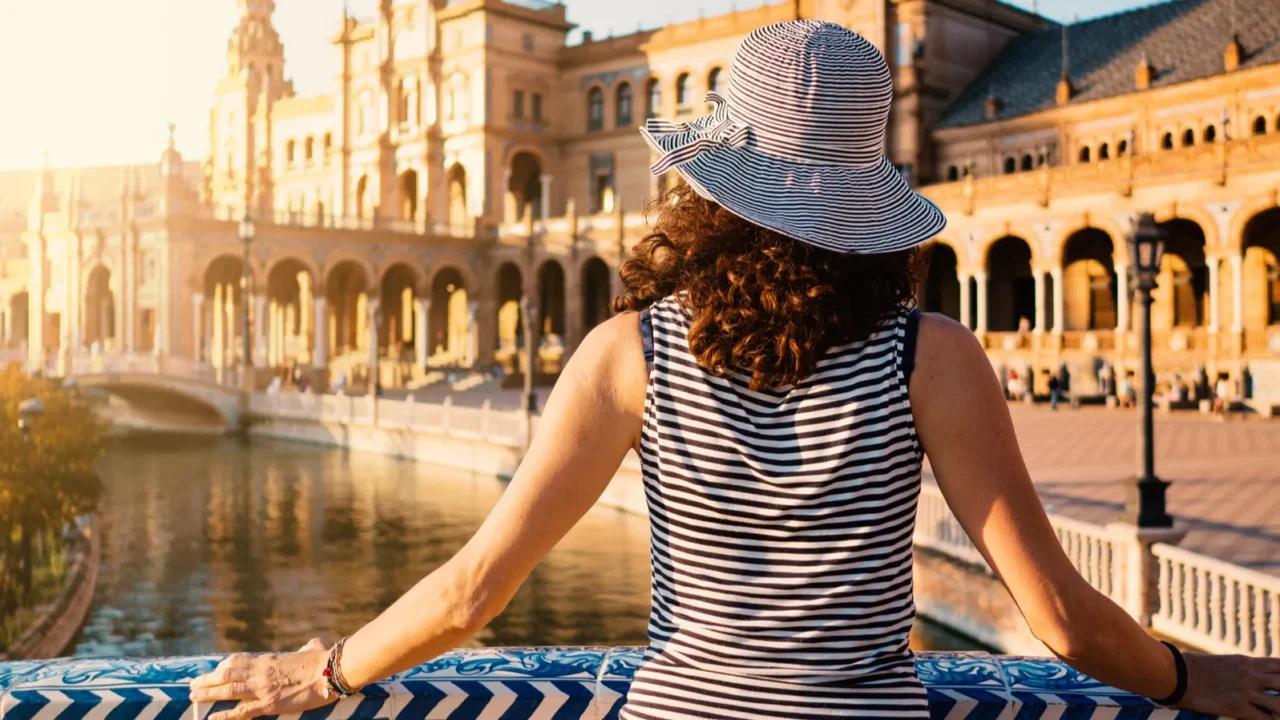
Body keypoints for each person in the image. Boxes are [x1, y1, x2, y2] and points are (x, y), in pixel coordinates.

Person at [190, 21, 1276, 720]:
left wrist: (316, 674)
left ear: (713, 179)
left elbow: (473, 591)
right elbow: (1062, 622)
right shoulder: (932, 357)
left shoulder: (628, 354)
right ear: (862, 189)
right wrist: (1196, 676)